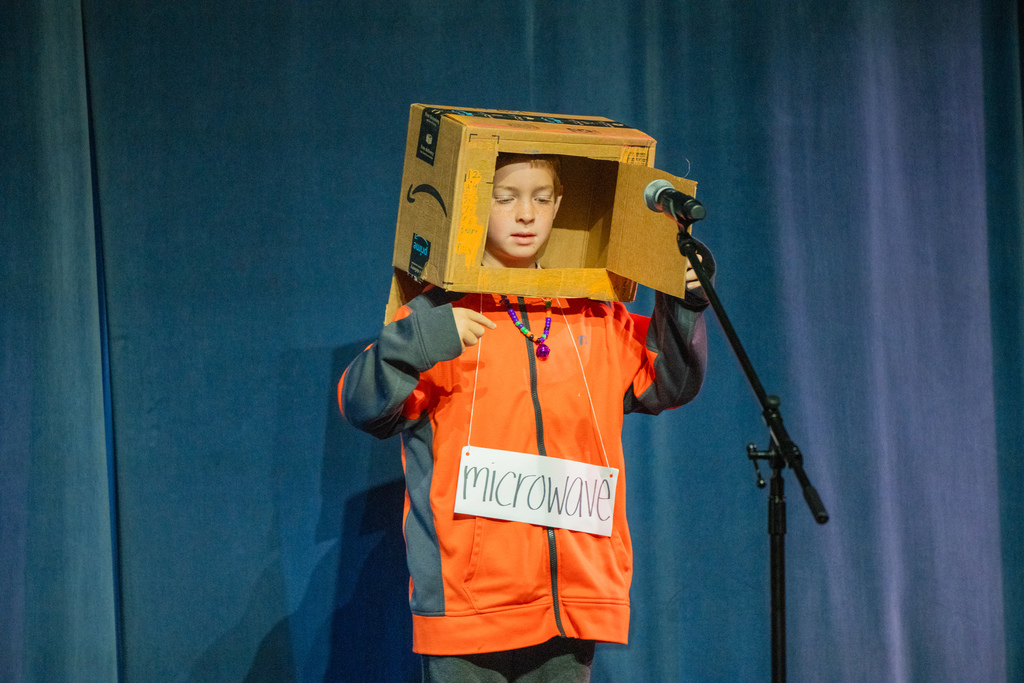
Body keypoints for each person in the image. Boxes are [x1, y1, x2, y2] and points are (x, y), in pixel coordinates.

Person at [339, 153, 713, 682]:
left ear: (559, 205)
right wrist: (422, 339)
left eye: (541, 198)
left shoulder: (594, 314)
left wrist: (683, 304)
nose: (525, 215)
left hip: (571, 605)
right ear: (476, 204)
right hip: (470, 608)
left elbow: (668, 382)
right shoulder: (441, 314)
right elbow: (362, 404)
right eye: (506, 197)